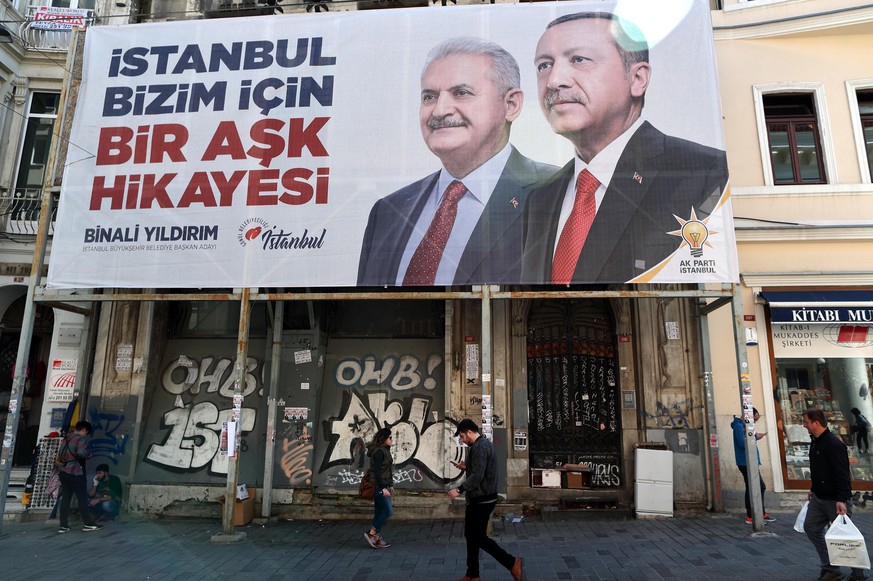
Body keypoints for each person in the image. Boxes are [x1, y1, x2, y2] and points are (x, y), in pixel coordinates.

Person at [521, 11, 729, 284]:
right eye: (544, 65)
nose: (554, 80)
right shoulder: (539, 199)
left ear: (637, 79)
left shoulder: (704, 173)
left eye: (579, 59)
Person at [358, 37, 557, 286]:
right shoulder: (388, 212)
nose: (440, 110)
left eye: (461, 93)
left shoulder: (559, 192)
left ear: (511, 104)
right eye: (429, 97)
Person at [448, 419, 522, 581]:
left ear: (469, 432)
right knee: (470, 535)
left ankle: (511, 562)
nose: (461, 440)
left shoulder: (480, 447)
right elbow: (480, 469)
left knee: (479, 537)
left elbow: (478, 476)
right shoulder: (481, 445)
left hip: (482, 499)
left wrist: (459, 490)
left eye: (461, 436)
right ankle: (472, 574)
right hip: (478, 498)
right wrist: (466, 467)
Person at [802, 408, 868, 581]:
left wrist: (841, 499)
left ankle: (858, 575)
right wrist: (813, 488)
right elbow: (819, 470)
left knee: (845, 537)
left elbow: (842, 473)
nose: (804, 425)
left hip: (835, 499)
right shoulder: (815, 441)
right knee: (811, 527)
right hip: (819, 497)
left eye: (806, 422)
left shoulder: (833, 444)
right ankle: (831, 568)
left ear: (816, 423)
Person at [730, 407, 775, 524]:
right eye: (754, 419)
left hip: (749, 461)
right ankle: (752, 515)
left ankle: (759, 512)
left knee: (755, 486)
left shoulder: (743, 426)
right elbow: (742, 443)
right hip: (745, 462)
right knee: (756, 487)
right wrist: (755, 437)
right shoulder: (739, 427)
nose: (754, 422)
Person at [57, 421, 102, 533]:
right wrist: (89, 454)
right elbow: (82, 453)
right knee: (82, 498)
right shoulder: (80, 439)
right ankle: (88, 523)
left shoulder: (66, 438)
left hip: (63, 472)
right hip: (75, 472)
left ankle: (63, 525)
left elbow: (60, 454)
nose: (85, 435)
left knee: (66, 499)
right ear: (84, 430)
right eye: (85, 433)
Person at [364, 428, 394, 549]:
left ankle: (377, 537)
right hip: (378, 487)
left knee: (379, 513)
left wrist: (390, 485)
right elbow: (376, 472)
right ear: (384, 439)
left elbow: (386, 470)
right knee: (388, 511)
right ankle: (371, 532)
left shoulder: (385, 450)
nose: (392, 439)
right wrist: (383, 487)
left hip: (384, 485)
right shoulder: (379, 452)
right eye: (390, 437)